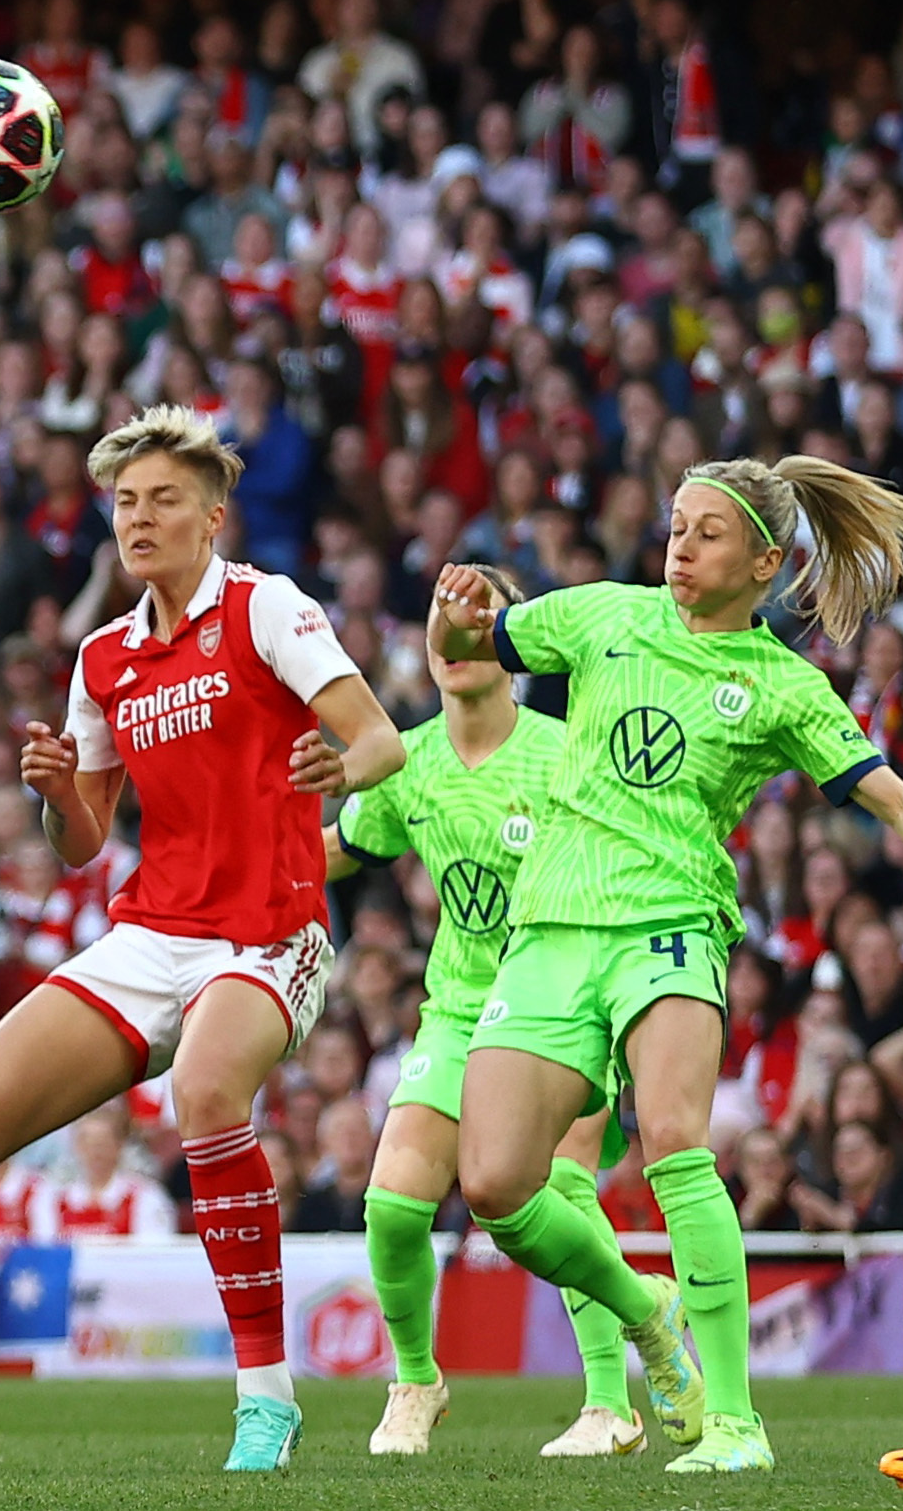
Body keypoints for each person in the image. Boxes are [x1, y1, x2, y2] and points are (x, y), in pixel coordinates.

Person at [0, 405, 404, 1473]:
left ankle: (266, 1401)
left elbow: (375, 737)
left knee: (203, 1096)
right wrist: (57, 795)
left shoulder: (268, 610)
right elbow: (80, 843)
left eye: (164, 501)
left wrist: (345, 767)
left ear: (213, 518)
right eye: (125, 502)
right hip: (150, 930)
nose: (139, 518)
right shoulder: (103, 657)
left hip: (268, 927)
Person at [434, 456, 903, 1474]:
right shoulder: (600, 614)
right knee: (490, 1186)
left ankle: (738, 1425)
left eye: (707, 533)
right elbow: (468, 644)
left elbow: (881, 788)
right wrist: (454, 614)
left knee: (672, 1142)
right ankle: (644, 1309)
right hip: (548, 929)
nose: (680, 547)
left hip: (670, 924)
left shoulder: (783, 683)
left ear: (763, 561)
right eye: (674, 527)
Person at [325, 564, 645, 1458]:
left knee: (562, 1192)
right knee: (391, 1206)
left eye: (476, 618)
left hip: (562, 1005)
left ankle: (609, 1404)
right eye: (438, 619)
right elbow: (340, 851)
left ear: (507, 644)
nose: (453, 635)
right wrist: (234, 865)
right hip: (459, 1012)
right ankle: (416, 1382)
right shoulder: (403, 760)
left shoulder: (565, 751)